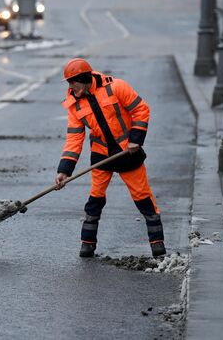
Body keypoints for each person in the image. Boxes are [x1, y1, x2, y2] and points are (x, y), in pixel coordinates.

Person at [54, 58, 166, 258]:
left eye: (73, 82)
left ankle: (158, 246)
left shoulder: (116, 87)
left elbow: (141, 109)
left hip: (127, 153)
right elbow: (74, 138)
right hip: (101, 155)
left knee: (143, 198)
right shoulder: (74, 105)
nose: (70, 87)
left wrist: (135, 139)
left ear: (85, 78)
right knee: (95, 200)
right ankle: (87, 246)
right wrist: (64, 170)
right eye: (69, 83)